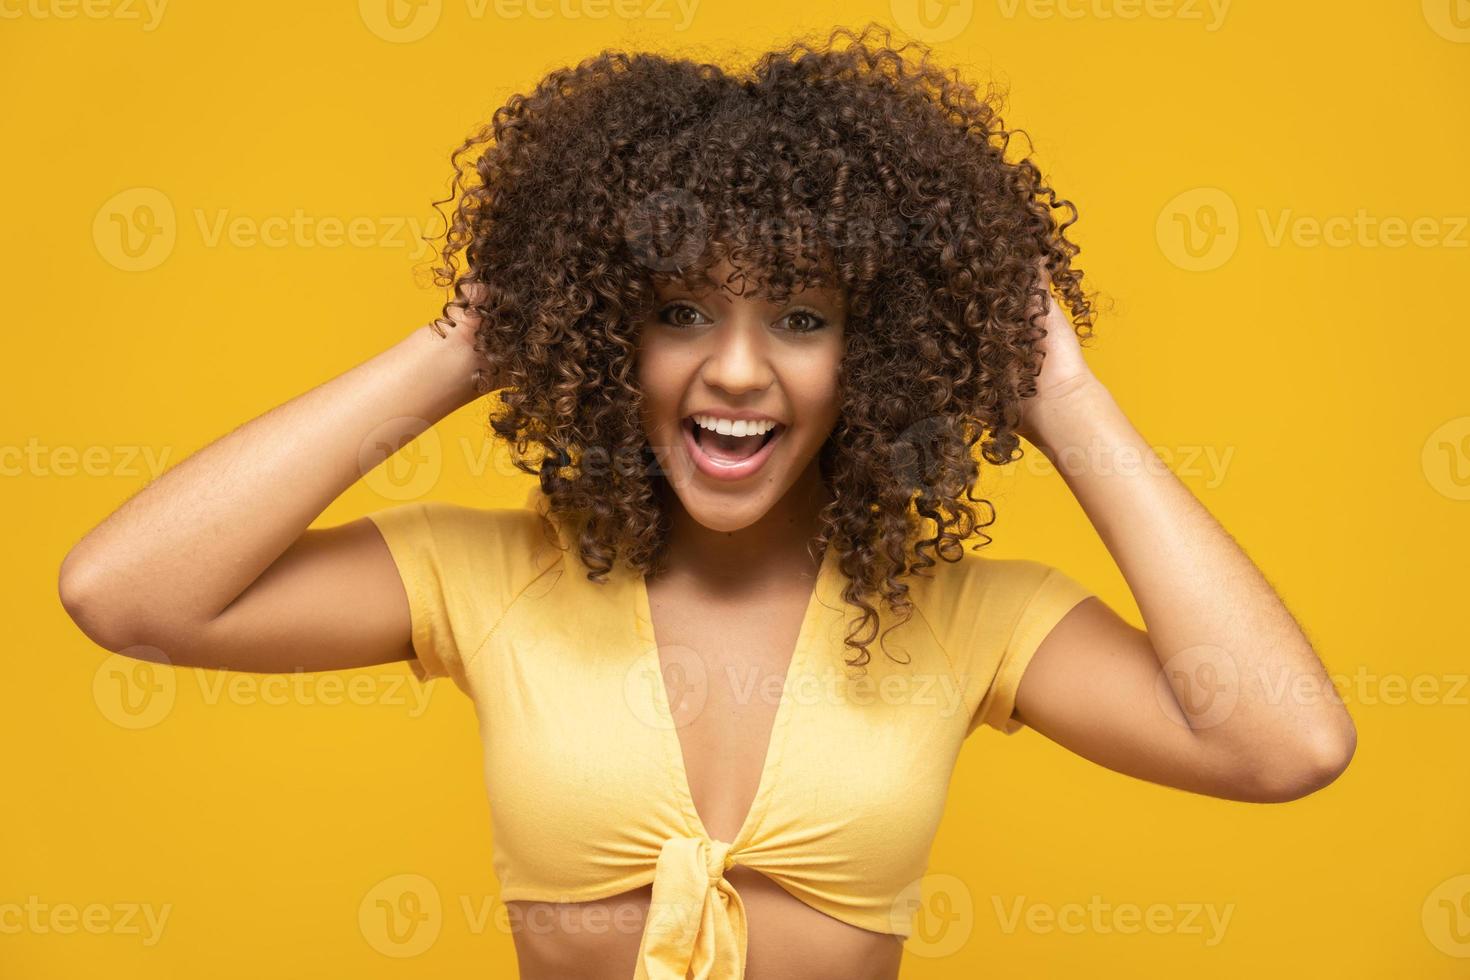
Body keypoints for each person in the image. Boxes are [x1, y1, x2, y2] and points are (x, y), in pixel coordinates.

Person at [57, 22, 1356, 980]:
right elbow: (126, 594)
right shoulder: (486, 578)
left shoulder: (974, 621)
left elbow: (1282, 746)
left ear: (878, 348)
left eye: (800, 316)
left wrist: (1059, 393)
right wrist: (461, 338)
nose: (735, 369)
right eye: (679, 312)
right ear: (601, 332)